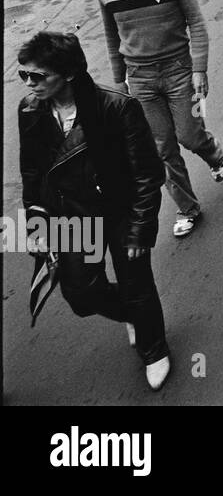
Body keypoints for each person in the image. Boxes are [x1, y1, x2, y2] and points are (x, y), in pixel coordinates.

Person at [18, 30, 173, 390]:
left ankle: (154, 349)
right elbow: (33, 171)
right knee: (81, 294)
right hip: (71, 216)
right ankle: (132, 316)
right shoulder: (29, 110)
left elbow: (148, 174)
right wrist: (37, 223)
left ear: (69, 73)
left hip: (118, 210)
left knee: (137, 283)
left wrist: (139, 228)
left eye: (38, 76)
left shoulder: (117, 107)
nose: (30, 84)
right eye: (24, 75)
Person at [94, 0, 223, 238]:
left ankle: (213, 153)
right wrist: (119, 83)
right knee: (161, 148)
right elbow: (112, 38)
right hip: (139, 79)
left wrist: (199, 71)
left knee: (190, 136)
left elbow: (196, 24)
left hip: (179, 70)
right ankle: (188, 208)